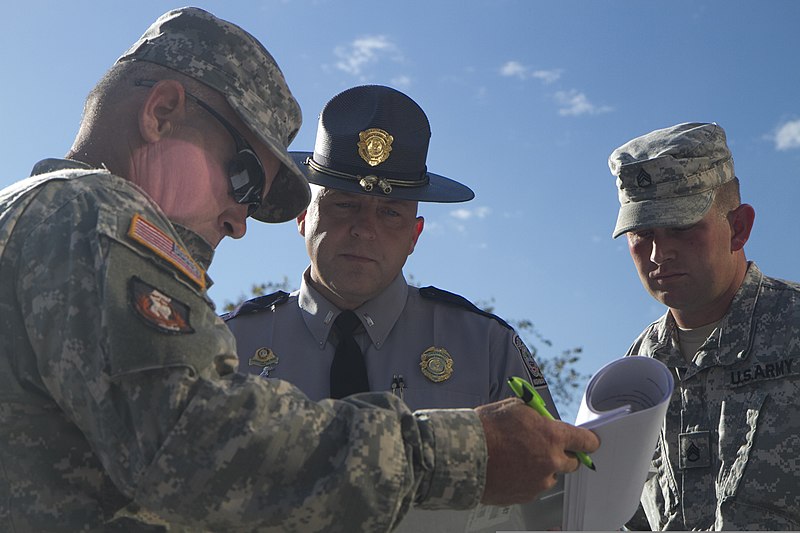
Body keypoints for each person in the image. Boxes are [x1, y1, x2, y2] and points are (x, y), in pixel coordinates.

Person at [0, 7, 600, 532]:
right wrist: (461, 452)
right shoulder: (93, 215)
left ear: (417, 232)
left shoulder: (46, 214)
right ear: (160, 112)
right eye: (241, 180)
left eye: (390, 212)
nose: (239, 222)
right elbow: (194, 443)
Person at [224, 84, 558, 414]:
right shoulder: (230, 346)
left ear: (414, 235)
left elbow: (551, 464)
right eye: (344, 205)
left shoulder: (486, 349)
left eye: (390, 212)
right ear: (303, 216)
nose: (365, 230)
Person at [607, 122, 800, 530]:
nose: (659, 253)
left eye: (681, 228)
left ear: (739, 227)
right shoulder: (633, 374)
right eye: (642, 234)